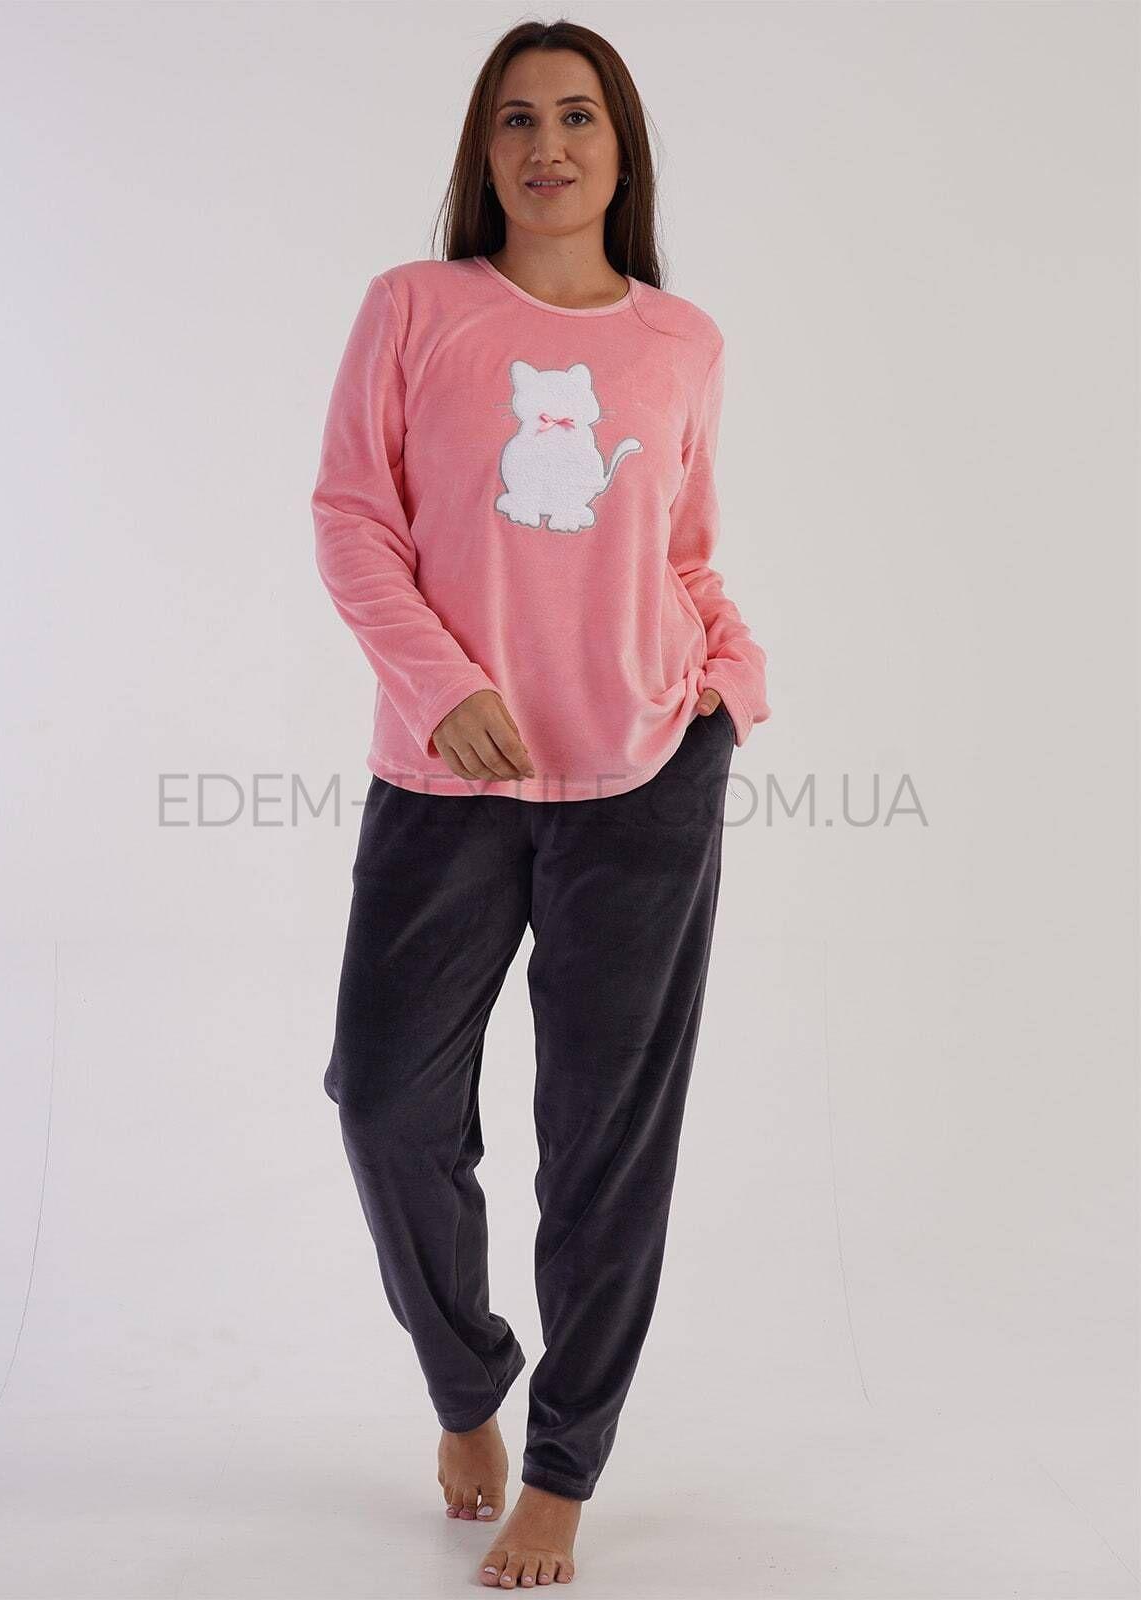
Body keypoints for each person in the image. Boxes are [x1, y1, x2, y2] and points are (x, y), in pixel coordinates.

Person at [310, 17, 770, 1590]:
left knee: (602, 1145)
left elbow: (685, 551)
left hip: (646, 778)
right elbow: (353, 519)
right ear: (484, 151)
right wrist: (444, 683)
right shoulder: (415, 308)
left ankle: (565, 1466)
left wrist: (733, 682)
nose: (548, 144)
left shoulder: (682, 341)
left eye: (578, 116)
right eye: (517, 119)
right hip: (446, 779)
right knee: (384, 1101)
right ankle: (466, 1387)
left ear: (621, 150)